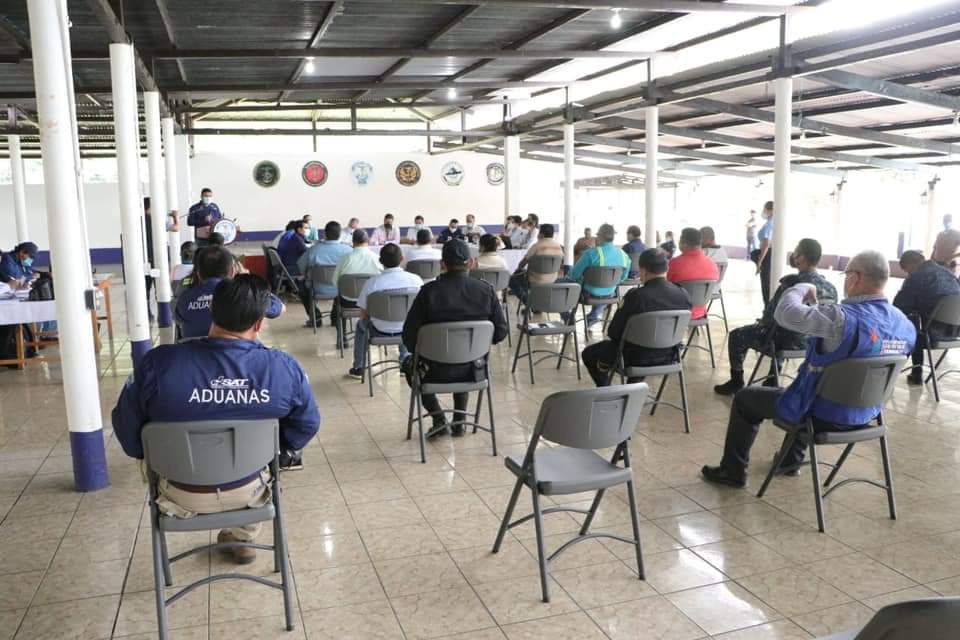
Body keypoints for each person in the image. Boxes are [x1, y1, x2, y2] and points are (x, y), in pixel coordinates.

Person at [112, 274, 320, 564]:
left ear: (212, 311)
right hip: (250, 489)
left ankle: (236, 533)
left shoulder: (158, 364)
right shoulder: (283, 368)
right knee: (268, 459)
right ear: (259, 323)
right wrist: (277, 453)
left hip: (178, 492)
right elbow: (307, 424)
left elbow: (127, 431)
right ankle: (243, 535)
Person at [701, 250, 916, 488]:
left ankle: (732, 472)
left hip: (821, 414)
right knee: (809, 387)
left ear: (854, 277)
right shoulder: (905, 325)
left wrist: (800, 288)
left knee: (747, 398)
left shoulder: (840, 318)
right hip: (867, 414)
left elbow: (785, 314)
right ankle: (789, 462)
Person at [402, 240, 508, 437]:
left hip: (432, 372)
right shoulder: (486, 291)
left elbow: (409, 337)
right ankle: (460, 421)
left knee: (408, 365)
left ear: (442, 264)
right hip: (474, 370)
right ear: (470, 263)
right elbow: (501, 333)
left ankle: (438, 417)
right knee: (465, 354)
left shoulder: (428, 292)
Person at [714, 239, 838, 396]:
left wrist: (761, 323)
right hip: (811, 343)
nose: (794, 255)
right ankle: (772, 379)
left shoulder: (791, 285)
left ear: (801, 258)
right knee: (781, 328)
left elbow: (772, 315)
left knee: (738, 335)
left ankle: (736, 381)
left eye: (796, 252)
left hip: (784, 341)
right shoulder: (831, 288)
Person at [581, 249, 692, 387]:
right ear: (666, 268)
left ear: (643, 271)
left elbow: (614, 332)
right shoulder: (683, 294)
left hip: (633, 358)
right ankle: (634, 387)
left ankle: (605, 388)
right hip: (669, 356)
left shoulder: (636, 296)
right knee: (645, 344)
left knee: (589, 354)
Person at [347, 244, 423, 379]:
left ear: (380, 261)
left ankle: (359, 367)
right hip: (407, 330)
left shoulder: (372, 283)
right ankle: (405, 362)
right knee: (408, 321)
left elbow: (363, 314)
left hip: (378, 330)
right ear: (402, 258)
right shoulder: (416, 280)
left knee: (360, 326)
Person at [176, 246, 284, 339]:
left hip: (194, 357)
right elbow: (280, 308)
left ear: (198, 274)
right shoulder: (245, 295)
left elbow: (178, 319)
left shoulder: (184, 298)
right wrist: (247, 281)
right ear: (233, 271)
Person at [893, 249, 960, 385]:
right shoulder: (949, 273)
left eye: (907, 271)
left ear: (910, 265)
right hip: (955, 332)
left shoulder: (917, 277)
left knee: (910, 323)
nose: (908, 274)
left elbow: (898, 307)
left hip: (932, 335)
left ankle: (915, 373)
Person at [568, 223, 631, 328]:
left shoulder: (591, 253)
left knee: (565, 281)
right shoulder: (624, 256)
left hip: (587, 295)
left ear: (599, 236)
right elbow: (623, 278)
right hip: (611, 294)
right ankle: (593, 316)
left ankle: (568, 318)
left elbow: (574, 275)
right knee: (605, 287)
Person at [331, 229, 382, 347]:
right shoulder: (377, 258)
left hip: (348, 302)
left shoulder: (345, 259)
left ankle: (342, 339)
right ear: (368, 241)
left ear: (353, 242)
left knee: (337, 303)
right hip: (371, 303)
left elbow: (335, 282)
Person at [297, 221, 352, 326]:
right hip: (341, 290)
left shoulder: (314, 250)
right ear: (340, 235)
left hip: (318, 288)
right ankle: (336, 318)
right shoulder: (348, 251)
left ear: (324, 234)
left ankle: (316, 318)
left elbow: (300, 266)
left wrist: (306, 273)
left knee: (301, 286)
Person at [666, 227, 720, 320]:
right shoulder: (712, 264)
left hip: (677, 313)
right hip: (701, 313)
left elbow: (666, 286)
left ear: (684, 243)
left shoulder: (674, 263)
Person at [508, 223, 563, 302]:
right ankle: (536, 303)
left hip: (535, 281)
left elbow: (523, 263)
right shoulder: (559, 247)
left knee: (511, 280)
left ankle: (529, 302)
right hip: (553, 280)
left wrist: (518, 269)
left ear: (541, 234)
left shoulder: (537, 246)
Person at [756, 200, 775, 305]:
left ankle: (767, 314)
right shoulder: (773, 222)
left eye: (765, 209)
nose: (764, 212)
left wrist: (760, 261)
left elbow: (766, 243)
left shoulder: (769, 224)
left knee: (766, 286)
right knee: (768, 285)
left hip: (767, 255)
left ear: (771, 210)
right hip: (770, 254)